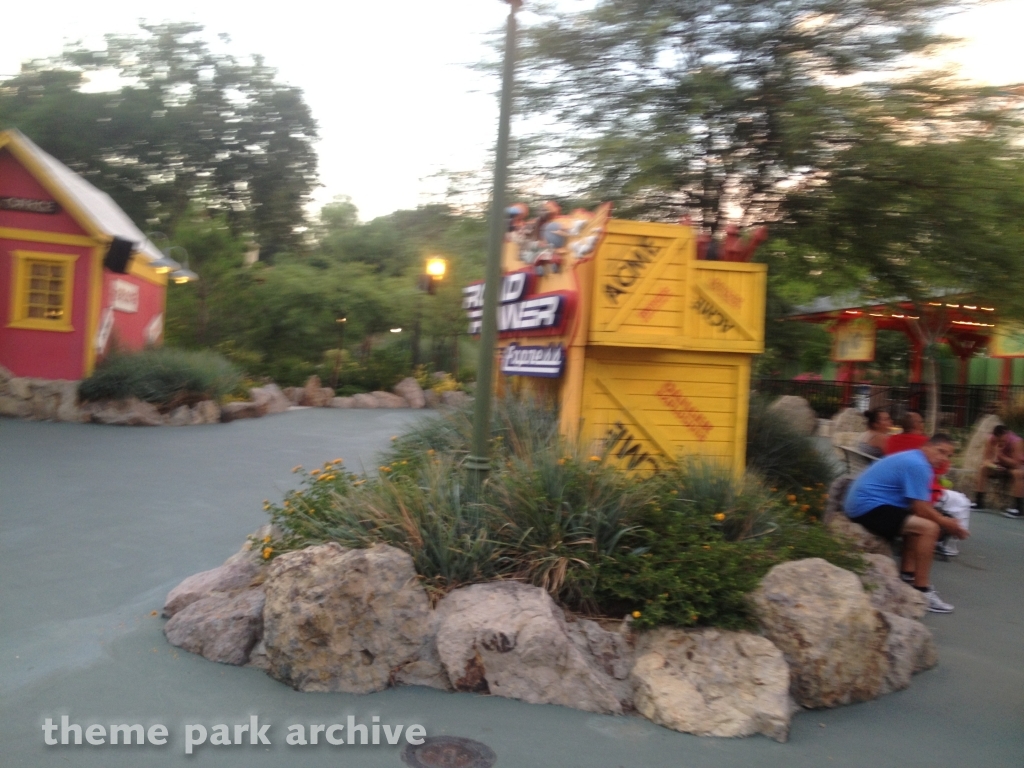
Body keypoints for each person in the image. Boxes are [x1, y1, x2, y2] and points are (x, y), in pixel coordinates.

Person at [845, 434, 968, 613]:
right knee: (930, 528)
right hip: (867, 507)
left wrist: (943, 520)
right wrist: (947, 523)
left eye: (948, 456)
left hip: (864, 504)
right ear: (926, 447)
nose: (943, 458)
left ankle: (907, 574)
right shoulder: (919, 465)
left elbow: (919, 507)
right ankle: (922, 590)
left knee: (921, 523)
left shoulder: (915, 459)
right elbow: (921, 508)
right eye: (940, 451)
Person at [886, 411, 969, 556]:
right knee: (962, 501)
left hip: (897, 485)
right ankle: (949, 545)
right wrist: (945, 522)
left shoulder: (891, 440)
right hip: (922, 489)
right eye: (921, 421)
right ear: (917, 425)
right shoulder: (925, 443)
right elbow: (942, 469)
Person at [975, 425, 1024, 519]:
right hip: (1000, 466)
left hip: (1015, 467)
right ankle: (979, 501)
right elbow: (986, 460)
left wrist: (1000, 456)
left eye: (1003, 441)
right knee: (983, 468)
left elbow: (1017, 464)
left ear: (1007, 435)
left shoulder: (1017, 442)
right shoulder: (990, 440)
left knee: (1018, 473)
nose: (1001, 444)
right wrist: (994, 466)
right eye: (998, 441)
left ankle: (1019, 508)